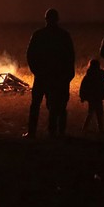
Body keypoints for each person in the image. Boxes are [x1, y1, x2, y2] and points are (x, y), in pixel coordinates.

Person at [24, 8, 75, 138]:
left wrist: (36, 70)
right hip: (57, 76)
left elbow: (30, 55)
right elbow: (70, 56)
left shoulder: (39, 34)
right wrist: (68, 74)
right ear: (57, 19)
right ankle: (57, 131)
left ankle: (32, 131)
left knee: (36, 104)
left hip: (43, 75)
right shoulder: (64, 35)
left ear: (46, 19)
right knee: (58, 105)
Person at [79, 59, 104, 132]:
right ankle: (100, 128)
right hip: (98, 97)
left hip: (92, 97)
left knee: (91, 112)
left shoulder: (88, 76)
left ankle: (85, 128)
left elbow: (83, 87)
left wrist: (82, 96)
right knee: (99, 113)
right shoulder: (101, 76)